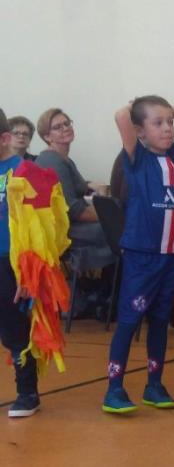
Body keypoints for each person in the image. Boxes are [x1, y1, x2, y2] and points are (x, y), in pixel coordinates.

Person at [103, 97, 174, 413]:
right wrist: (134, 105)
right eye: (158, 123)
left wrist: (169, 107)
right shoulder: (137, 158)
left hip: (170, 256)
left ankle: (154, 385)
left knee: (160, 320)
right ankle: (114, 389)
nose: (168, 128)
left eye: (170, 122)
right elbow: (121, 116)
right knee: (129, 321)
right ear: (140, 131)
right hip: (142, 257)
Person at [35, 108, 116, 274]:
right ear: (47, 137)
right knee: (117, 229)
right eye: (58, 127)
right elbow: (74, 211)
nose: (65, 128)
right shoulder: (53, 161)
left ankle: (107, 283)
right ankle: (108, 285)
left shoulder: (63, 158)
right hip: (64, 231)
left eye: (67, 123)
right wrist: (111, 214)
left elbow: (71, 185)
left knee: (118, 218)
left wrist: (89, 185)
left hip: (68, 225)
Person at [0, 109, 38, 417]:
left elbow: (37, 229)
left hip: (10, 262)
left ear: (4, 139)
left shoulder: (24, 171)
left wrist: (27, 274)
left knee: (14, 328)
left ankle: (27, 392)